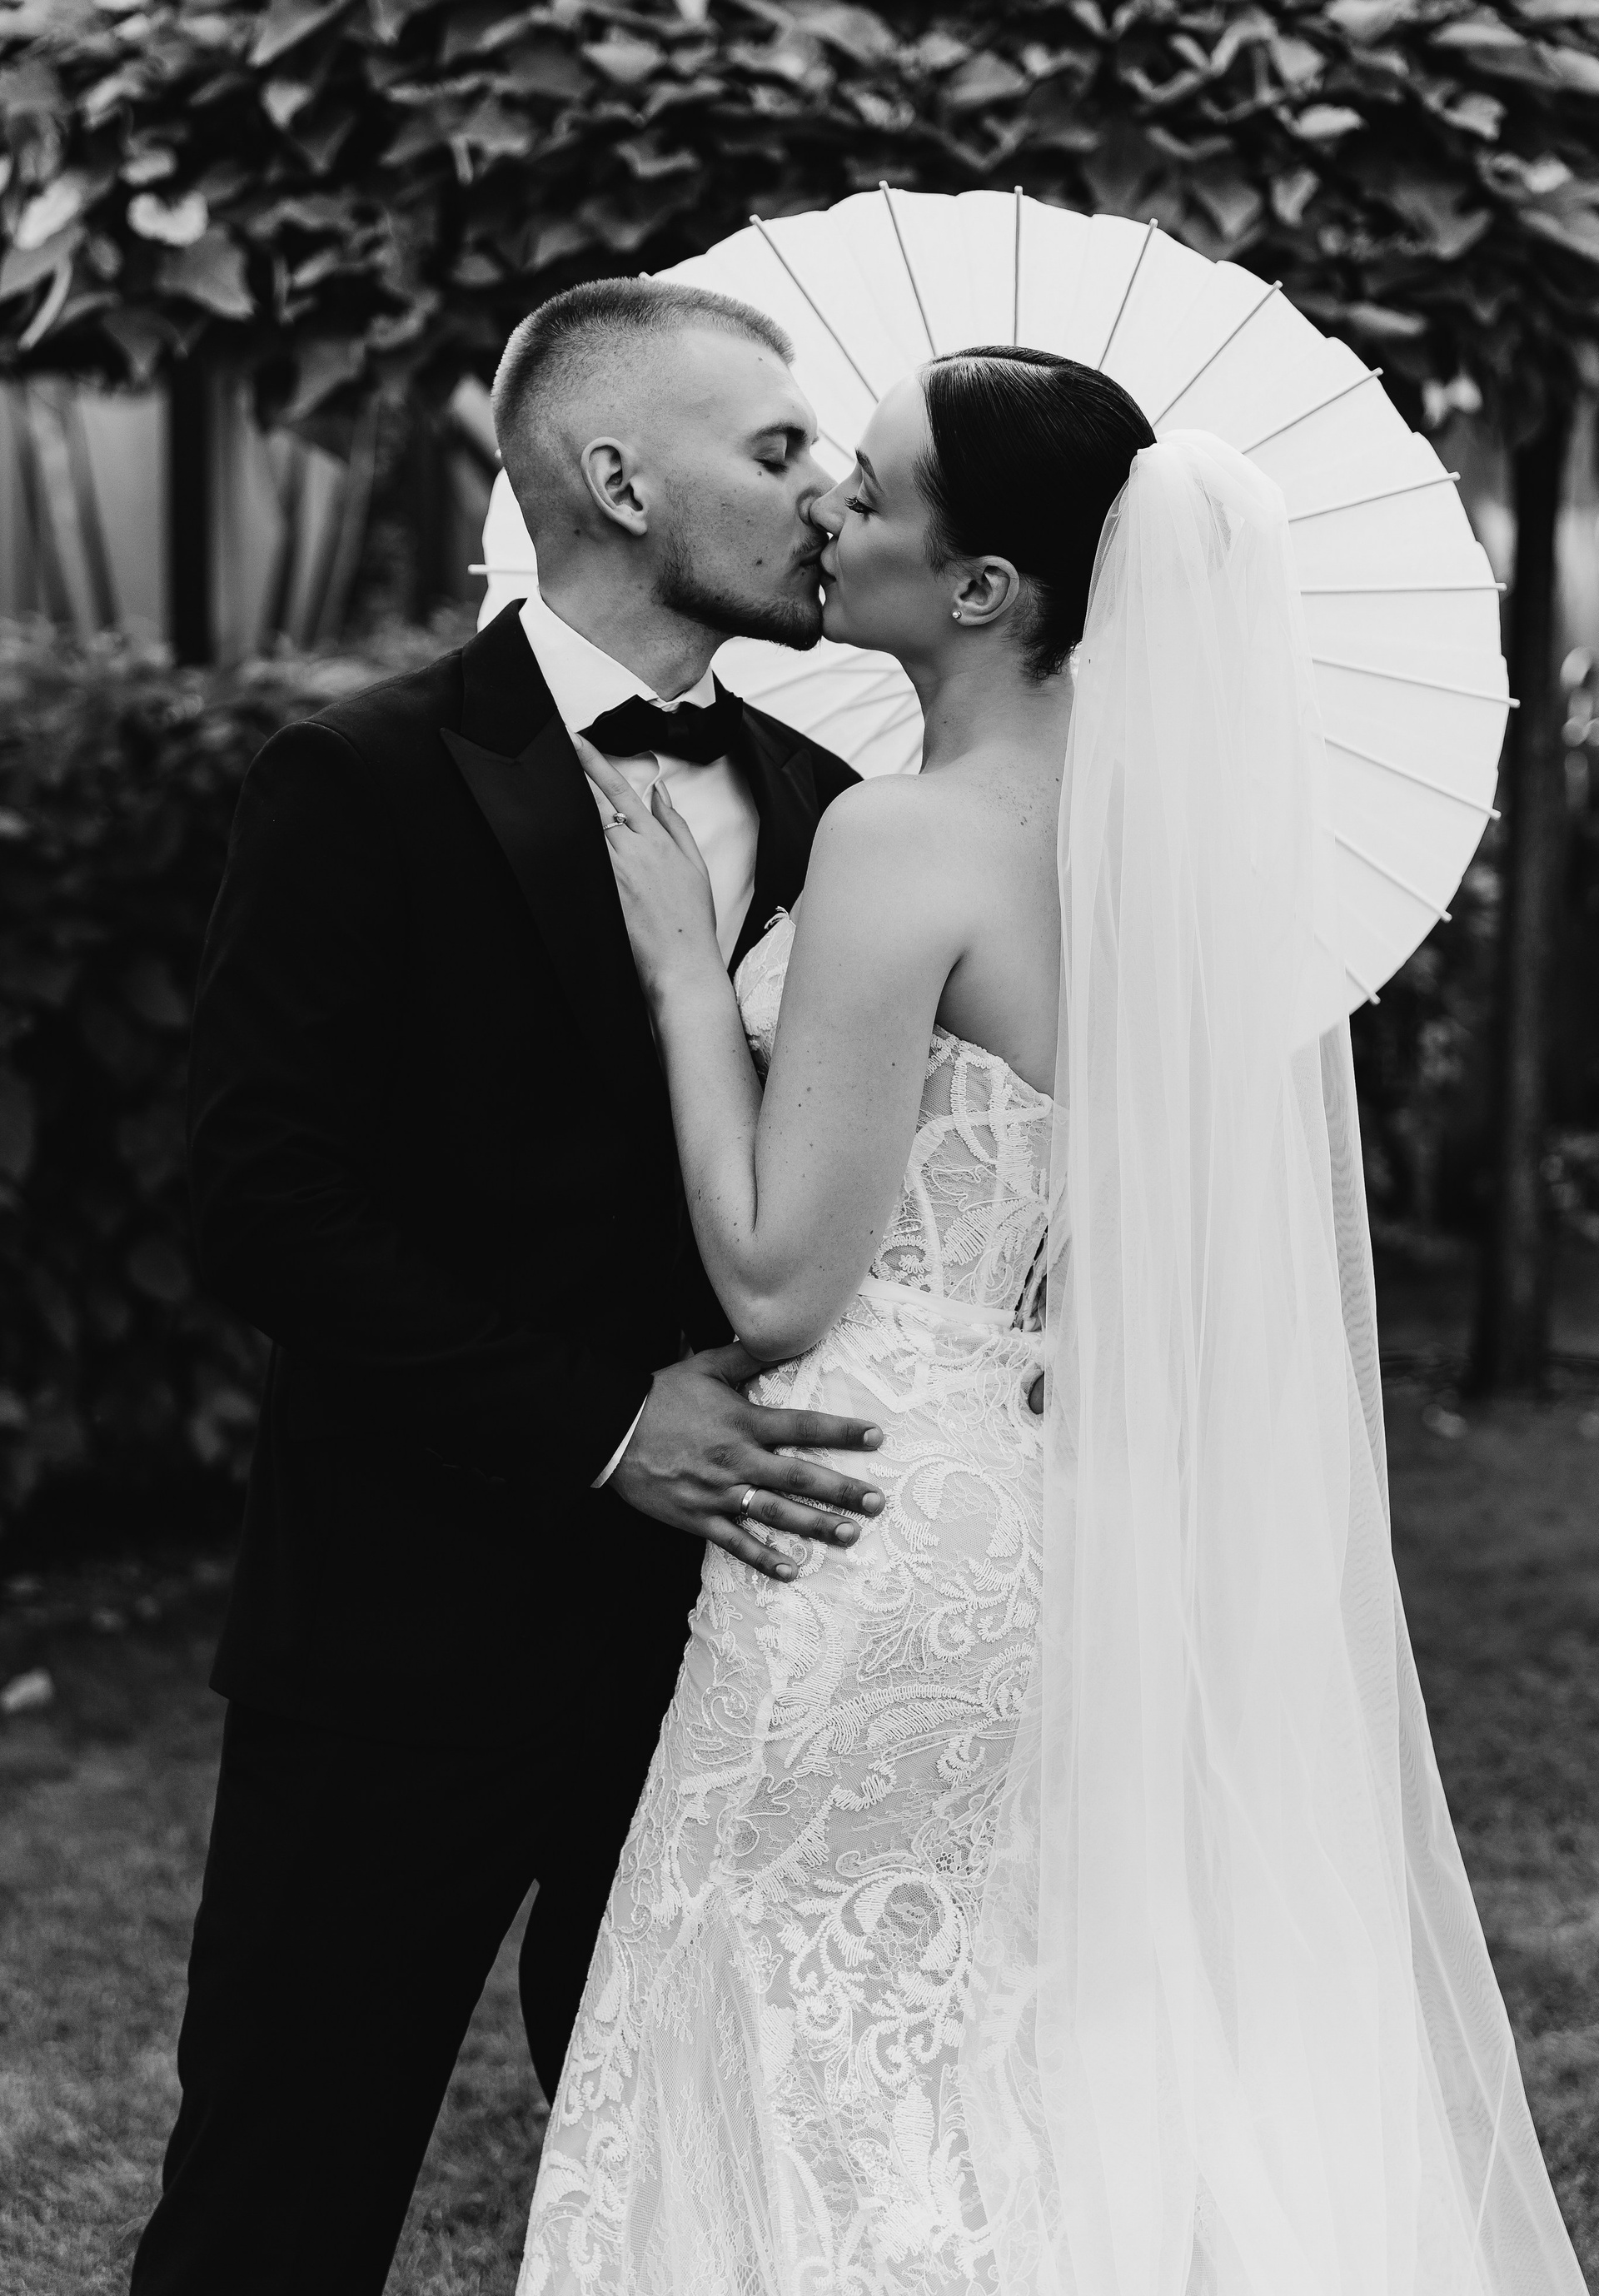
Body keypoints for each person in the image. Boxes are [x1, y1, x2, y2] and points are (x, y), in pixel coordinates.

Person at [520, 351, 1587, 2293]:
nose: (830, 505)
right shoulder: (1164, 852)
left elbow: (778, 1280)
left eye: (876, 490)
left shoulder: (902, 838)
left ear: (986, 587)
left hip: (861, 1506)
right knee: (985, 2040)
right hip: (1050, 1514)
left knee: (793, 2022)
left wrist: (683, 973)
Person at [130, 280, 889, 2296]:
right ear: (617, 480)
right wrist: (609, 1425)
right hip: (402, 1628)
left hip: (726, 1637)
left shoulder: (834, 815)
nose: (829, 490)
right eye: (778, 449)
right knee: (276, 2201)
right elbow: (264, 1203)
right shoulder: (358, 777)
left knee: (708, 2205)